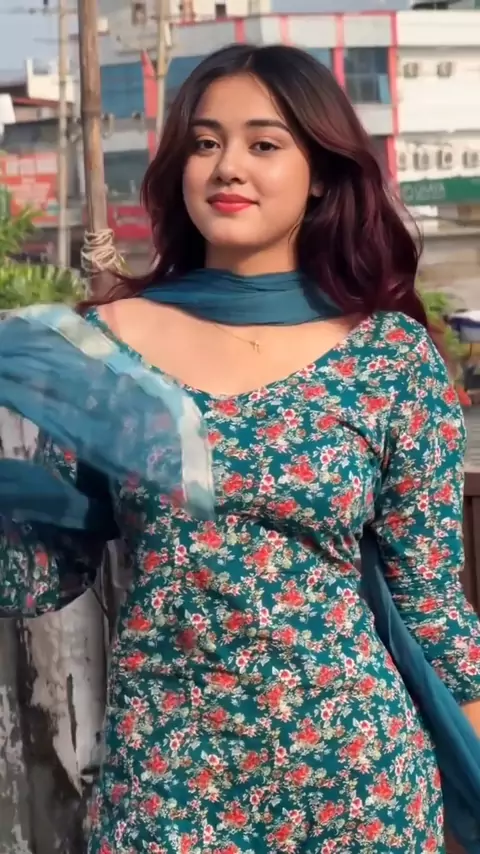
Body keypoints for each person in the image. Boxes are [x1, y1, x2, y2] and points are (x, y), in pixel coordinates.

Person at [1, 43, 480, 853]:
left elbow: (433, 606)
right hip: (166, 782)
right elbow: (43, 571)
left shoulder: (389, 357)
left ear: (320, 172)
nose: (229, 167)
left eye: (264, 143)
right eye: (205, 142)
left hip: (357, 782)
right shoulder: (107, 347)